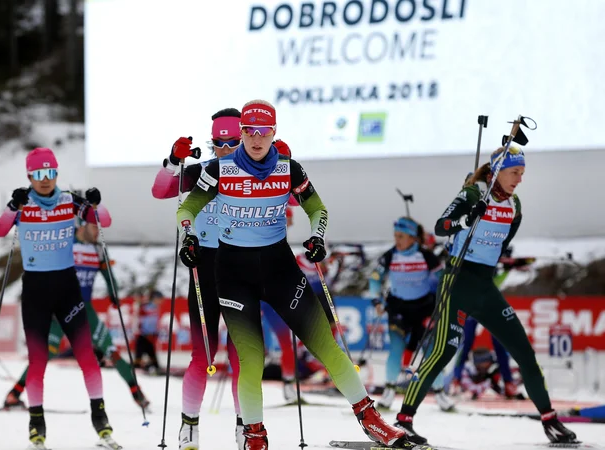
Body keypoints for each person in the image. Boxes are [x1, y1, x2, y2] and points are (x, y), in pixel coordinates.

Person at [176, 100, 411, 450]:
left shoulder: (289, 169)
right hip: (232, 273)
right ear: (241, 132)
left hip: (279, 268)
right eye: (249, 132)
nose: (256, 139)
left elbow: (317, 208)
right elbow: (187, 206)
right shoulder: (219, 169)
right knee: (252, 358)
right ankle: (254, 435)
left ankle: (371, 419)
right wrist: (190, 235)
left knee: (326, 346)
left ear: (274, 132)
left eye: (263, 132)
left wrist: (317, 236)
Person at [393, 146, 578, 446]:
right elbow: (442, 227)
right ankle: (403, 421)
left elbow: (506, 237)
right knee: (442, 353)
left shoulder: (515, 205)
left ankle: (550, 421)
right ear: (498, 171)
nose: (519, 179)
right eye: (515, 172)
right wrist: (466, 221)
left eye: (522, 173)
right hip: (456, 280)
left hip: (484, 286)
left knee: (524, 352)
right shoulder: (473, 195)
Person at [0, 147, 118, 448]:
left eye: (50, 173)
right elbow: (0, 230)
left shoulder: (70, 202)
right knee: (38, 361)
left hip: (66, 288)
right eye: (38, 174)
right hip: (35, 291)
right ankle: (37, 426)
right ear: (29, 176)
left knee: (87, 355)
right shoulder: (23, 204)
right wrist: (12, 207)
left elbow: (106, 221)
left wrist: (94, 203)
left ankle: (100, 419)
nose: (45, 180)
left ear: (56, 173)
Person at [151, 107, 244, 449]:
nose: (224, 151)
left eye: (232, 143)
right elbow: (161, 191)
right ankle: (188, 427)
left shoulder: (258, 176)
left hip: (244, 265)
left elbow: (292, 201)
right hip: (204, 264)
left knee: (243, 356)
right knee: (203, 355)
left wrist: (286, 166)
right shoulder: (202, 171)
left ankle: (245, 427)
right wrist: (172, 162)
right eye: (218, 144)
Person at [2, 218, 150, 411]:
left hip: (84, 309)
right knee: (44, 354)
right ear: (82, 225)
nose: (98, 232)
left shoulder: (97, 250)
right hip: (58, 307)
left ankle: (137, 393)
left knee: (110, 350)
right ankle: (14, 394)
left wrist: (114, 293)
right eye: (94, 227)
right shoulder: (64, 243)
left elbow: (109, 276)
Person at [367, 217, 453, 412]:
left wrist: (444, 300)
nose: (397, 240)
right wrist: (377, 300)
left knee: (431, 353)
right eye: (395, 236)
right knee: (396, 349)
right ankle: (389, 393)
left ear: (413, 238)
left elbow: (442, 279)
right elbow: (375, 279)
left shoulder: (426, 256)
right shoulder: (390, 255)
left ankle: (440, 393)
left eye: (401, 236)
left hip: (424, 309)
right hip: (398, 309)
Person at [449, 246, 535, 399]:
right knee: (466, 343)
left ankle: (508, 383)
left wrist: (507, 267)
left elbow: (494, 284)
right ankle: (456, 381)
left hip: (489, 305)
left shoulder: (491, 259)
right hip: (471, 306)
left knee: (500, 343)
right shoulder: (473, 258)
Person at [133, 289, 162, 374]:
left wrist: (155, 332)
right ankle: (138, 367)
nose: (160, 301)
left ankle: (154, 366)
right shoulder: (146, 306)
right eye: (159, 299)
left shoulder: (156, 307)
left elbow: (154, 321)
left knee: (151, 352)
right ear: (154, 298)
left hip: (151, 335)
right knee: (140, 352)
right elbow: (142, 319)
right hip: (144, 335)